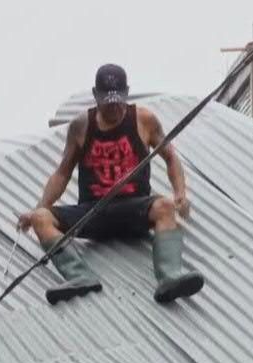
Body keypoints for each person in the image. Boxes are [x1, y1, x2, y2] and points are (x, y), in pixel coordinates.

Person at [16, 63, 204, 306]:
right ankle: (79, 276)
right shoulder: (81, 126)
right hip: (94, 213)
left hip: (133, 208)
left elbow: (170, 157)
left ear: (126, 93)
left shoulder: (143, 119)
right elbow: (62, 174)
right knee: (41, 217)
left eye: (118, 101)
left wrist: (180, 193)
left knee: (165, 206)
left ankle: (170, 276)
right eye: (107, 102)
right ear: (96, 96)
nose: (114, 108)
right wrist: (38, 209)